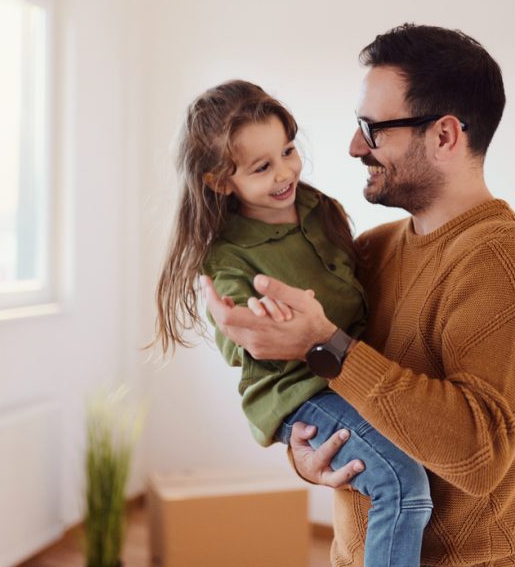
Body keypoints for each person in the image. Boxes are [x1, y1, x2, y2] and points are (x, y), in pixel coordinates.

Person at [202, 24, 515, 567]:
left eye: (372, 129)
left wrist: (328, 347)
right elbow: (343, 407)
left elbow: (479, 457)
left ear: (443, 136)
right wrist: (306, 456)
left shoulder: (505, 264)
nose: (353, 147)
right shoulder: (367, 251)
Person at [154, 79, 432, 567]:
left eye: (287, 150)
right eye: (263, 167)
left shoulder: (317, 208)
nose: (285, 172)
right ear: (221, 181)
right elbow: (244, 339)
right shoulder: (228, 258)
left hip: (347, 374)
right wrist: (263, 320)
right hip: (301, 393)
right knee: (401, 485)